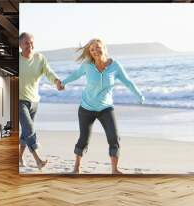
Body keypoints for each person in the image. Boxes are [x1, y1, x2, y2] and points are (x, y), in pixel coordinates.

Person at [59, 38, 145, 174]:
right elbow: (75, 75)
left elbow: (127, 81)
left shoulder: (115, 66)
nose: (95, 51)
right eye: (92, 49)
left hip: (105, 108)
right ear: (90, 53)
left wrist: (139, 95)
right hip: (86, 108)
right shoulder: (87, 65)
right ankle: (76, 168)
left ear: (104, 48)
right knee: (83, 139)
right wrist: (63, 83)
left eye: (98, 47)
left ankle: (114, 169)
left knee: (114, 137)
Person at [19, 32, 63, 169]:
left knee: (25, 132)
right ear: (20, 45)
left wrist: (56, 81)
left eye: (32, 42)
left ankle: (19, 156)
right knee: (29, 128)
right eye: (26, 43)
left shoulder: (40, 58)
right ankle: (38, 159)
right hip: (19, 100)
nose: (30, 45)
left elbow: (48, 72)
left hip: (34, 101)